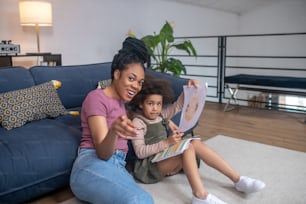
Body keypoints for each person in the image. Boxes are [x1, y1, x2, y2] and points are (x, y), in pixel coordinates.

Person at [128, 75, 266, 204]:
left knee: (194, 142)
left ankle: (238, 180)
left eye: (158, 104)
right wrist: (166, 143)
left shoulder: (161, 115)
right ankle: (200, 195)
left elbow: (178, 106)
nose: (155, 108)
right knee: (187, 148)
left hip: (164, 156)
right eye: (150, 103)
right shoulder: (138, 122)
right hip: (150, 167)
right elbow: (140, 152)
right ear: (141, 104)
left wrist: (189, 89)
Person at [69, 37, 154, 204]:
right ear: (116, 74)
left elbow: (158, 95)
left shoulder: (122, 102)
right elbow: (102, 153)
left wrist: (188, 87)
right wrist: (114, 131)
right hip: (91, 164)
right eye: (131, 78)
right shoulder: (96, 98)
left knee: (143, 199)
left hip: (116, 167)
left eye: (140, 82)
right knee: (140, 199)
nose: (136, 86)